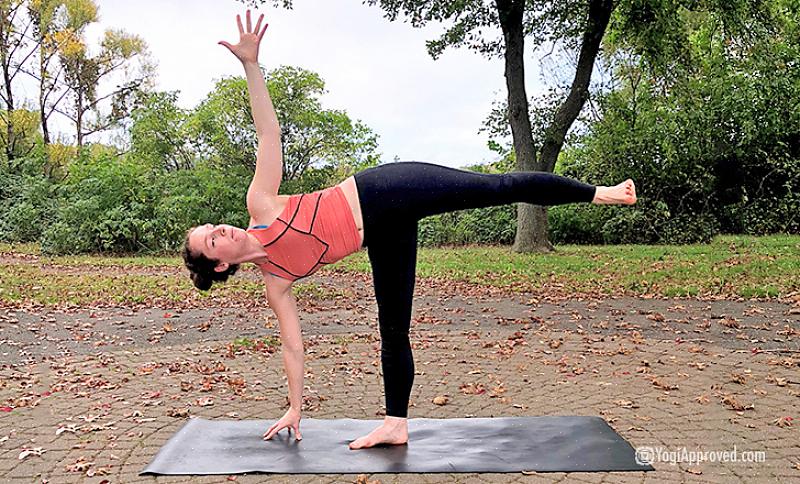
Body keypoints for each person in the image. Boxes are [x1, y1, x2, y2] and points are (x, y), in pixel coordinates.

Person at [184, 10, 637, 451]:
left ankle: (603, 192)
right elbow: (292, 348)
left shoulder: (260, 204)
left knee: (497, 187)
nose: (220, 229)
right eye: (212, 239)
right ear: (221, 262)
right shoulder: (276, 281)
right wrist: (295, 408)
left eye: (212, 227)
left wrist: (252, 66)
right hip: (382, 237)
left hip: (384, 191)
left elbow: (269, 134)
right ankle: (395, 424)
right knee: (393, 329)